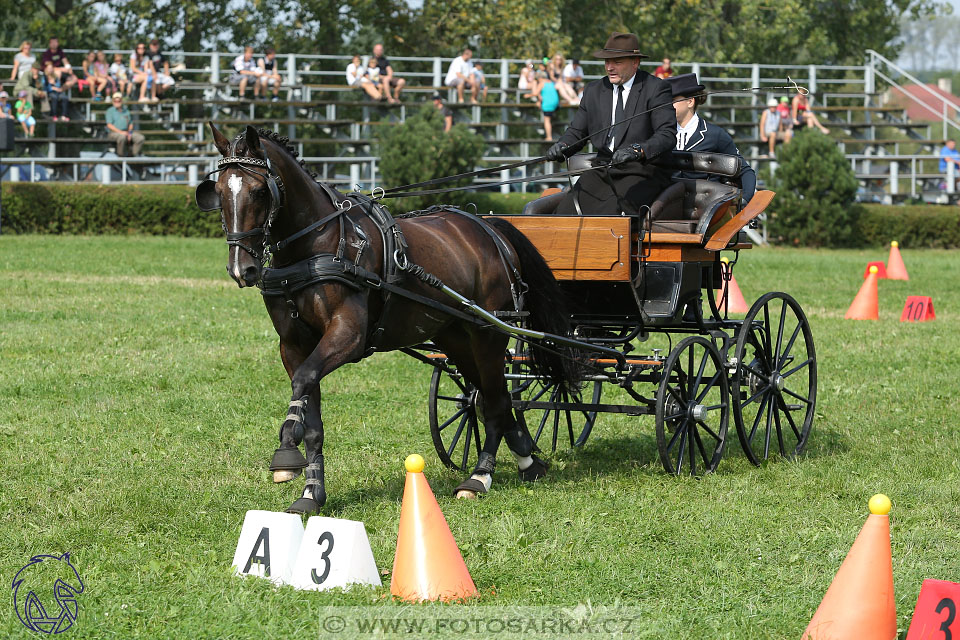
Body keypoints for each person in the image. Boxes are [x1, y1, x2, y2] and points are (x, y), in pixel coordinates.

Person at [546, 32, 676, 215]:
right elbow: (577, 132)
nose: (609, 67)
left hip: (642, 171)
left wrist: (638, 150)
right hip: (603, 168)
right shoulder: (593, 91)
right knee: (565, 214)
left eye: (617, 62)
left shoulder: (655, 88)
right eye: (607, 62)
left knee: (609, 217)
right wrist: (562, 146)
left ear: (635, 62)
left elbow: (667, 135)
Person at [667, 73, 756, 201]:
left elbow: (745, 172)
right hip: (669, 204)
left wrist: (745, 202)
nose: (667, 105)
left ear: (690, 102)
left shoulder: (715, 135)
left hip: (705, 207)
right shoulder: (661, 135)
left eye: (673, 100)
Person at [105, 92, 145, 156]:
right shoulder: (110, 111)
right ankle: (121, 157)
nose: (117, 102)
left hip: (126, 132)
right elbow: (109, 125)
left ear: (121, 101)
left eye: (119, 101)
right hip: (113, 133)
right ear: (113, 101)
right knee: (122, 137)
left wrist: (129, 133)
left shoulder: (126, 111)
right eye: (115, 101)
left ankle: (132, 156)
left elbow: (130, 124)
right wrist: (121, 132)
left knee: (140, 138)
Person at [536, 70, 560, 140]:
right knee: (549, 119)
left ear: (540, 78)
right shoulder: (551, 83)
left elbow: (535, 92)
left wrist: (527, 95)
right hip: (555, 104)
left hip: (548, 104)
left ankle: (549, 137)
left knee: (547, 120)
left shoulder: (541, 83)